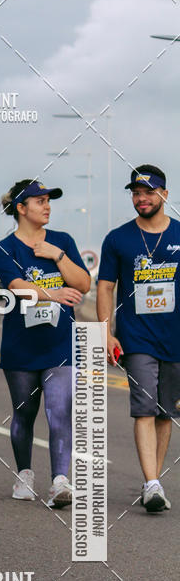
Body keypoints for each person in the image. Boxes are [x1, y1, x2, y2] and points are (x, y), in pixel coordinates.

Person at [0, 179, 90, 507]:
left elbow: (83, 283)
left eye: (49, 201)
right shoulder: (5, 248)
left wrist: (57, 255)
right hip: (21, 344)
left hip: (61, 344)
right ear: (21, 208)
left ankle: (60, 481)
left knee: (60, 410)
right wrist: (54, 293)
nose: (47, 206)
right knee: (24, 412)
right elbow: (18, 286)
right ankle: (24, 474)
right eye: (40, 201)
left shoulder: (62, 241)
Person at [97, 164, 180, 512]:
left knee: (165, 413)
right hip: (136, 338)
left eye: (148, 192)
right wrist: (105, 332)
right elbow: (105, 287)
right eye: (136, 192)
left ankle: (152, 482)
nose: (141, 198)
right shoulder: (118, 239)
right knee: (144, 408)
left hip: (174, 338)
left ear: (164, 194)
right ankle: (152, 482)